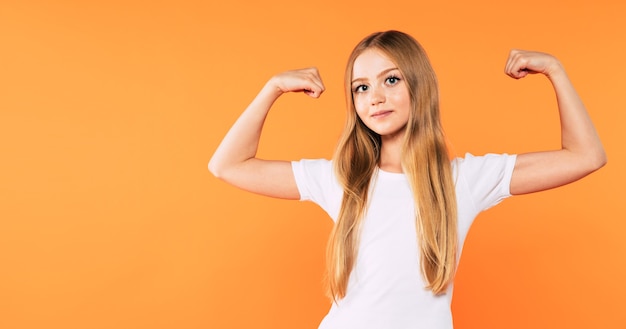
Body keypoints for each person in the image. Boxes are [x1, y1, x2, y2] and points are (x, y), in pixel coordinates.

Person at [208, 30, 606, 329]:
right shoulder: (340, 180)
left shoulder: (462, 182)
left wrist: (555, 70)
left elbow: (585, 156)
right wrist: (272, 88)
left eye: (391, 80)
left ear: (420, 85)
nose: (374, 97)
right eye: (361, 88)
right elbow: (228, 165)